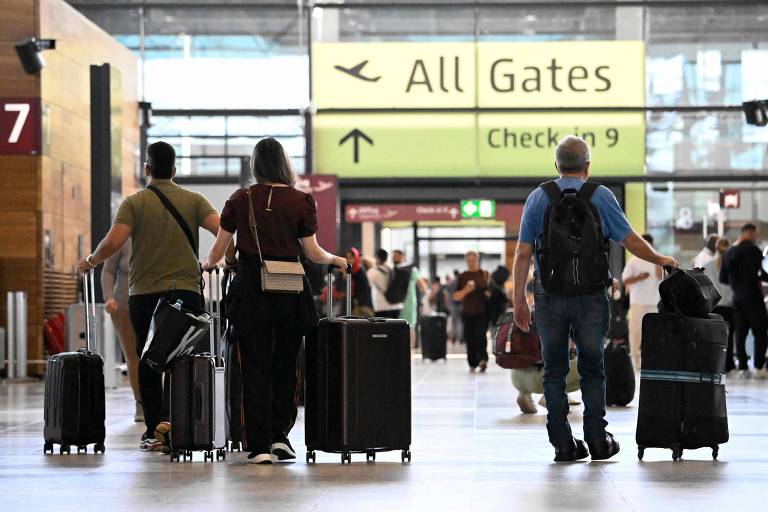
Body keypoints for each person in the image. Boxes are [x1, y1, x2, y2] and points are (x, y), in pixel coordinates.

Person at [511, 135, 678, 462]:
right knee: (592, 366)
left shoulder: (538, 197)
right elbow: (630, 240)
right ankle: (598, 438)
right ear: (587, 166)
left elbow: (522, 253)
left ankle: (562, 443)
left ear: (557, 165)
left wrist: (519, 301)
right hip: (591, 295)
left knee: (554, 370)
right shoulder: (600, 195)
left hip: (549, 295)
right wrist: (661, 260)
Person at [203, 137, 347, 464]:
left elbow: (218, 250)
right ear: (284, 164)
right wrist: (336, 259)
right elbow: (313, 252)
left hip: (251, 292)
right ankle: (280, 436)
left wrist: (211, 264)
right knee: (286, 365)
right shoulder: (301, 201)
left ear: (256, 165)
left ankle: (258, 446)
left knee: (253, 366)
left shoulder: (240, 198)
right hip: (290, 291)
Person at [77, 141, 220, 452]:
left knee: (149, 359)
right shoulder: (194, 200)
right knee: (181, 358)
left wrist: (90, 260)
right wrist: (218, 259)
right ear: (175, 169)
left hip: (145, 295)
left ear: (146, 169)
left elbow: (113, 241)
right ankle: (183, 427)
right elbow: (223, 230)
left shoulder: (134, 203)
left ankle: (156, 429)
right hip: (186, 293)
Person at [100, 240, 142, 422]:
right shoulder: (121, 238)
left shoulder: (158, 232)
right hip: (123, 306)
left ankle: (161, 403)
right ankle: (140, 404)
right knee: (133, 356)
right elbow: (108, 271)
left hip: (155, 304)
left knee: (156, 357)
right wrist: (108, 297)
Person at [720, 223, 768, 379]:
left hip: (737, 298)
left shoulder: (729, 252)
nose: (755, 237)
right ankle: (759, 367)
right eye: (755, 234)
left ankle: (742, 367)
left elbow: (723, 278)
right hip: (753, 296)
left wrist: (737, 283)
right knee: (760, 331)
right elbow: (761, 273)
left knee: (740, 333)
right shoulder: (753, 250)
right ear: (749, 233)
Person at [621, 233, 663, 370]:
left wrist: (658, 262)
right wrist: (639, 277)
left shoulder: (657, 259)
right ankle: (635, 361)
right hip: (638, 302)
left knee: (654, 334)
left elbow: (661, 277)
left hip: (654, 302)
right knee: (636, 333)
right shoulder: (633, 261)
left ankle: (652, 360)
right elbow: (625, 280)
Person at [453, 251, 491, 373]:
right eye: (468, 261)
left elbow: (492, 292)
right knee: (469, 338)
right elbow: (455, 296)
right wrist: (466, 290)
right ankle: (472, 363)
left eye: (473, 260)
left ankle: (483, 360)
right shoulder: (462, 276)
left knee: (481, 336)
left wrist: (488, 294)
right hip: (467, 312)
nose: (470, 263)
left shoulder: (484, 274)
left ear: (477, 260)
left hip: (482, 311)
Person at [703, 238, 737, 373]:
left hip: (714, 307)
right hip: (730, 306)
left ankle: (715, 363)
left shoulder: (707, 265)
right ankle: (729, 365)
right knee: (729, 337)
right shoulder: (733, 265)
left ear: (715, 248)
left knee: (715, 338)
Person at [393, 249, 428, 334]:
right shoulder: (411, 269)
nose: (393, 258)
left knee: (397, 329)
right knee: (410, 328)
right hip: (408, 302)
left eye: (394, 256)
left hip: (395, 303)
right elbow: (423, 288)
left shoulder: (391, 269)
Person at [335, 247, 374, 318]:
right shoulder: (342, 270)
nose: (349, 260)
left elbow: (364, 289)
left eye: (351, 257)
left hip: (359, 305)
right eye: (347, 257)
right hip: (345, 304)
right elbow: (338, 288)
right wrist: (344, 277)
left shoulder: (360, 271)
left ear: (356, 258)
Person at [367, 249, 403, 318]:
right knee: (395, 325)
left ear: (376, 258)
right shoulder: (392, 269)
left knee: (381, 325)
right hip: (396, 305)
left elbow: (367, 286)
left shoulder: (372, 271)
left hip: (381, 306)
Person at [445, 270, 463, 344]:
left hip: (453, 304)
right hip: (461, 304)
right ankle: (460, 337)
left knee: (454, 321)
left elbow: (447, 290)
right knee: (460, 320)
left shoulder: (451, 282)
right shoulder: (461, 282)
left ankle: (454, 336)